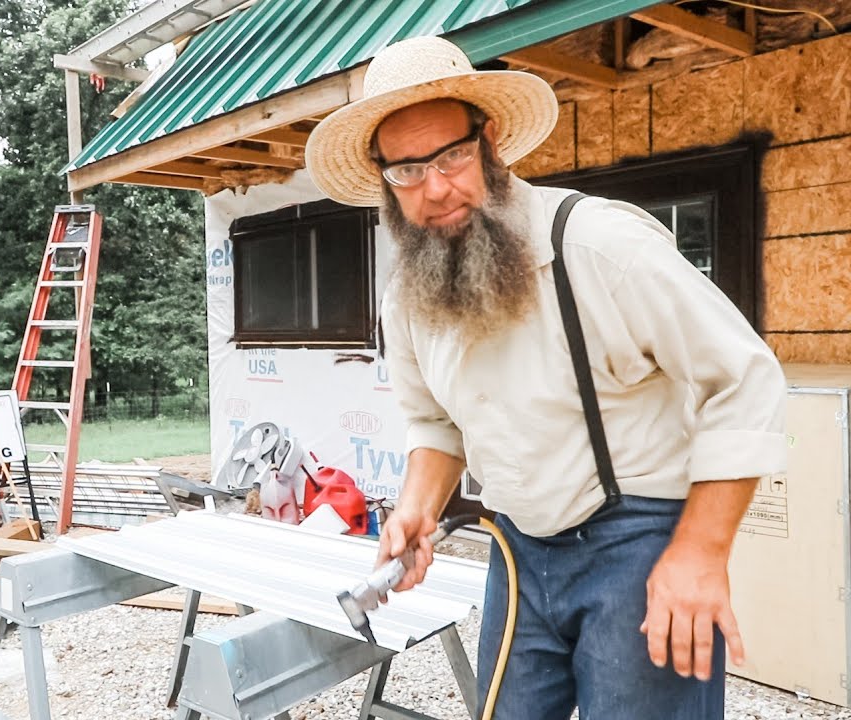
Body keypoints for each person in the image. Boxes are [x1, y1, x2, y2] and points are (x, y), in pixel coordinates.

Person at [304, 36, 787, 719]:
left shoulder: (597, 245)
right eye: (407, 171)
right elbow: (435, 423)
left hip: (638, 542)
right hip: (517, 548)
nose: (434, 189)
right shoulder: (406, 295)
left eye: (451, 156)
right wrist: (418, 504)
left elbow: (744, 379)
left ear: (491, 140)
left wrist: (701, 552)